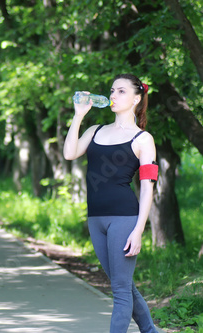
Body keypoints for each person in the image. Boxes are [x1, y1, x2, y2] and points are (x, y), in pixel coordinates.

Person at [63, 74, 159, 333]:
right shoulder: (95, 131)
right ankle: (151, 331)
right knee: (123, 284)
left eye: (121, 91)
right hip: (96, 218)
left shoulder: (143, 139)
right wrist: (79, 115)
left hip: (124, 219)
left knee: (119, 290)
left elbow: (148, 187)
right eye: (112, 91)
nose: (113, 95)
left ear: (136, 99)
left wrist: (139, 229)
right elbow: (69, 153)